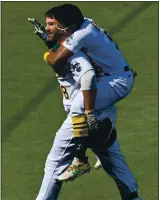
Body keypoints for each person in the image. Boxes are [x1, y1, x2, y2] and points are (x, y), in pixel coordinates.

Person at [28, 4, 142, 200]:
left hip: (96, 100)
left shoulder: (77, 51)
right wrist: (50, 42)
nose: (47, 29)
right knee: (111, 158)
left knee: (54, 163)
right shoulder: (83, 29)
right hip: (106, 98)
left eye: (52, 25)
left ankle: (80, 157)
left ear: (68, 28)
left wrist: (47, 53)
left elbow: (78, 71)